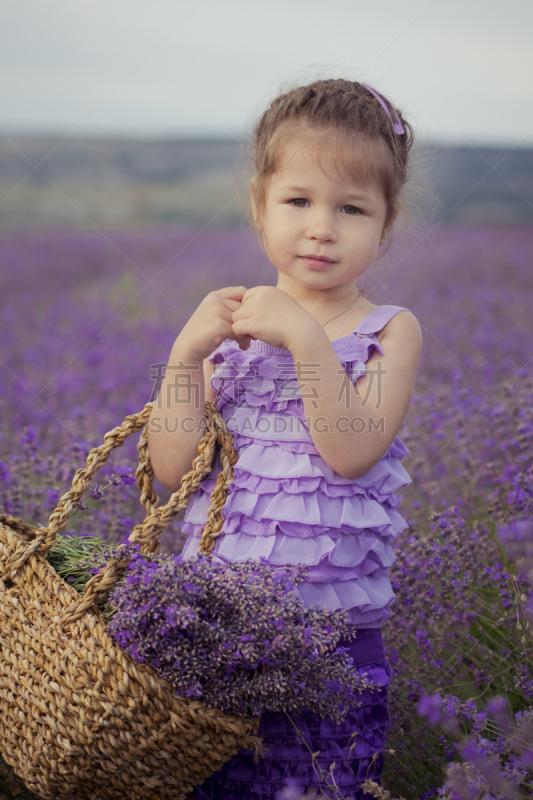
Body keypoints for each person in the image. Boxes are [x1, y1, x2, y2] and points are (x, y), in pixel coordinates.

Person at [148, 77, 423, 800]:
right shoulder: (228, 332)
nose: (320, 227)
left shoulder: (388, 332)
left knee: (319, 781)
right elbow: (170, 472)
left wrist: (303, 335)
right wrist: (184, 356)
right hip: (214, 636)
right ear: (258, 206)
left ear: (385, 223)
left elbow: (350, 450)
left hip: (329, 645)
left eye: (351, 208)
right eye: (297, 201)